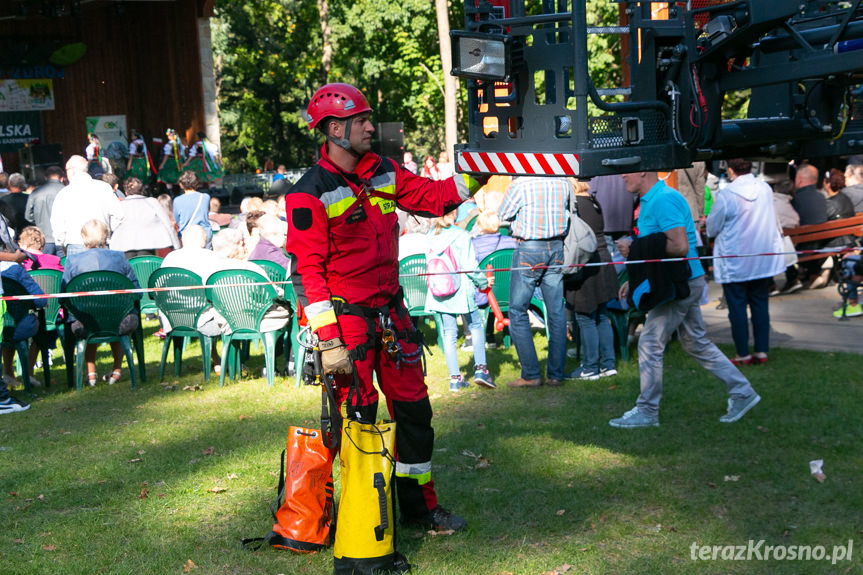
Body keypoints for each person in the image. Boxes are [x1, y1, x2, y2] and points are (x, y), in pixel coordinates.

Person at [285, 82, 485, 532]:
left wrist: (479, 170)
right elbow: (306, 271)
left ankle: (419, 511)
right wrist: (329, 339)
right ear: (334, 128)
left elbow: (434, 198)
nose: (371, 127)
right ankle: (359, 522)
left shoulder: (383, 171)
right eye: (361, 121)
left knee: (415, 413)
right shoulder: (308, 192)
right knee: (358, 421)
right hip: (346, 323)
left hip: (391, 317)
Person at [609, 171, 760, 428]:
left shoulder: (662, 199)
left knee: (649, 343)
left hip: (682, 283)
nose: (622, 176)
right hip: (684, 280)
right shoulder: (652, 198)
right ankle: (742, 392)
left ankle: (647, 411)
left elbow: (678, 247)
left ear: (643, 171)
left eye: (627, 170)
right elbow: (658, 247)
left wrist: (634, 248)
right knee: (695, 342)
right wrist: (633, 278)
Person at [706, 159, 785, 365]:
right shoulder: (765, 189)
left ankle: (742, 353)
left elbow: (713, 228)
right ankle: (761, 351)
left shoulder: (727, 195)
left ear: (730, 169)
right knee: (760, 304)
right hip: (761, 256)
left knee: (737, 308)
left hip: (736, 259)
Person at [498, 176, 569, 388]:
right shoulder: (562, 182)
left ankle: (530, 374)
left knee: (518, 310)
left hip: (529, 248)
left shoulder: (520, 184)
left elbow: (503, 214)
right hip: (556, 247)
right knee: (556, 311)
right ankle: (556, 375)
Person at [62, 220, 141, 387]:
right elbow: (137, 292)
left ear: (83, 238)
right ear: (106, 236)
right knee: (115, 314)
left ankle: (91, 375)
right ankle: (117, 370)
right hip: (120, 319)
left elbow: (63, 296)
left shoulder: (72, 261)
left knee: (90, 315)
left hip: (83, 322)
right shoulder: (119, 257)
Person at [424, 210, 494, 390]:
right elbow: (470, 266)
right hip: (461, 290)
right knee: (475, 326)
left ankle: (454, 379)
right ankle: (481, 370)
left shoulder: (430, 235)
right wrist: (483, 282)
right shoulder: (461, 235)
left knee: (449, 333)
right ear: (454, 213)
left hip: (440, 290)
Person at [565, 180, 620, 380]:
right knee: (601, 316)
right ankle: (608, 364)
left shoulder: (574, 205)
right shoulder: (594, 201)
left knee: (585, 317)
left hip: (585, 263)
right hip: (603, 259)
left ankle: (589, 367)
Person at [50, 155, 124, 256]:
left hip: (75, 244)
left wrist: (62, 242)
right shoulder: (104, 188)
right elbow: (119, 215)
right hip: (102, 242)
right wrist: (108, 232)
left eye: (66, 170)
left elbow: (57, 224)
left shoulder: (63, 193)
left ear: (72, 171)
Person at [0, 259, 47, 389]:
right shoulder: (15, 269)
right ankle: (29, 373)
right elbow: (40, 301)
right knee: (39, 328)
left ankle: (8, 372)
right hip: (20, 325)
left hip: (4, 326)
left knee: (8, 330)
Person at [109, 177, 181, 259]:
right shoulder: (152, 202)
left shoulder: (120, 205)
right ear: (141, 190)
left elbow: (113, 226)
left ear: (125, 192)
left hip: (125, 246)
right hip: (149, 245)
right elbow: (168, 224)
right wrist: (176, 246)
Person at [173, 170, 212, 247]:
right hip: (204, 234)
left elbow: (177, 220)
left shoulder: (177, 201)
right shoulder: (205, 197)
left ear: (181, 184)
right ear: (196, 183)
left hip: (187, 236)